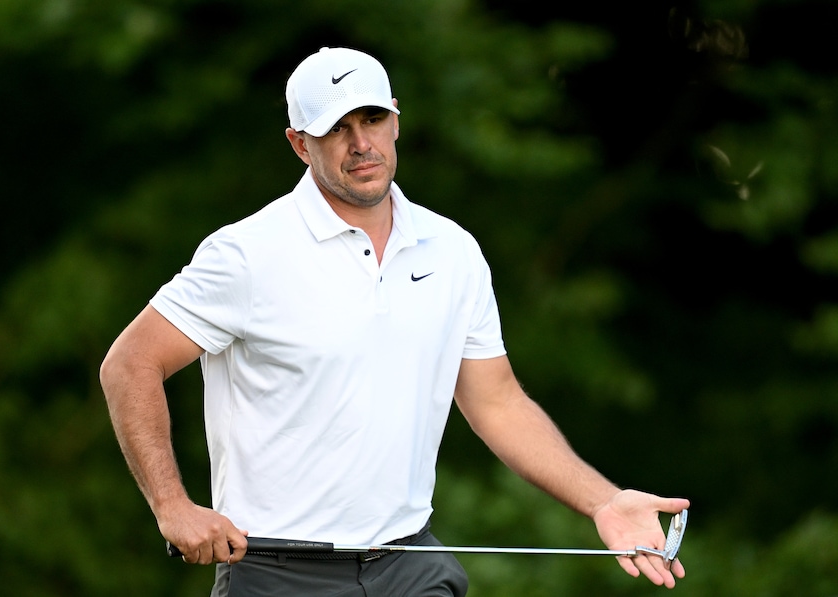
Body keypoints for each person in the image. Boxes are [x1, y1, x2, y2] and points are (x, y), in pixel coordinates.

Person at [100, 46, 690, 596]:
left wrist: (603, 501)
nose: (362, 143)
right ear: (299, 144)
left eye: (373, 119)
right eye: (337, 128)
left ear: (397, 120)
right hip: (277, 572)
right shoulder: (247, 254)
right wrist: (172, 507)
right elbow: (130, 363)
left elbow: (497, 403)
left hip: (408, 565)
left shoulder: (452, 251)